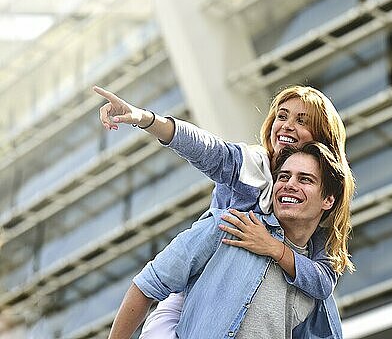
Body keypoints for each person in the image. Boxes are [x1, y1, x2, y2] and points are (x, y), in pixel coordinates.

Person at [93, 85, 355, 336]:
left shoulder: (316, 234)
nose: (287, 125)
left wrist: (273, 248)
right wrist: (144, 118)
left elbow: (322, 281)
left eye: (302, 121)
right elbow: (207, 149)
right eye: (282, 116)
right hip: (193, 284)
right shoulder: (253, 167)